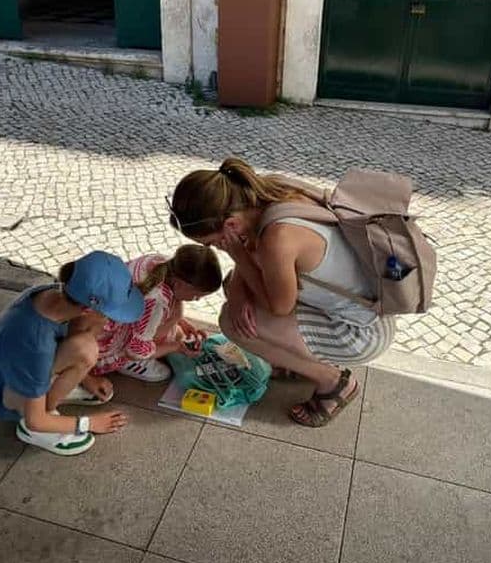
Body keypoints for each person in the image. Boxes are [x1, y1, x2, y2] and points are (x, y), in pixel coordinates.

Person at [167, 157, 396, 427]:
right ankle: (291, 361)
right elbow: (251, 261)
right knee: (234, 287)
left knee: (233, 323)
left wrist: (238, 257)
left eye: (212, 243)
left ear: (230, 225)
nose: (215, 248)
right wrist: (240, 276)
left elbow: (278, 307)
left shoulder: (278, 238)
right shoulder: (266, 192)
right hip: (367, 305)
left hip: (362, 333)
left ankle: (333, 382)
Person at [0, 251, 144, 456]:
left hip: (22, 371)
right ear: (87, 309)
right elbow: (35, 420)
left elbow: (73, 332)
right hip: (5, 396)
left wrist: (86, 378)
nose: (110, 320)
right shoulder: (35, 342)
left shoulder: (56, 294)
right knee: (85, 349)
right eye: (110, 312)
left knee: (85, 344)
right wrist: (90, 423)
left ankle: (49, 392)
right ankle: (36, 424)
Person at [73, 244, 222, 385]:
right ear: (179, 284)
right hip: (105, 344)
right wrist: (177, 347)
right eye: (197, 296)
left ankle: (159, 340)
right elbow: (135, 351)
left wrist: (182, 323)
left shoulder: (162, 263)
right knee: (161, 373)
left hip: (98, 318)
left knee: (175, 332)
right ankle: (127, 364)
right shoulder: (156, 301)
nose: (196, 300)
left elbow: (160, 304)